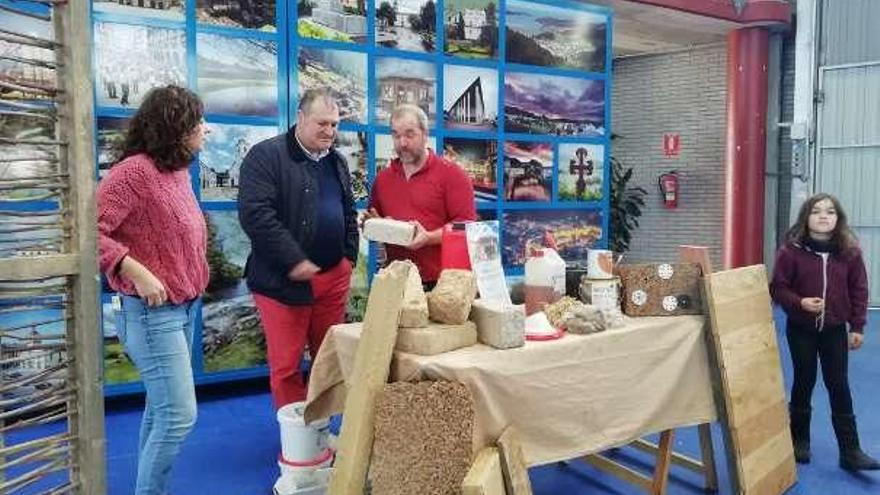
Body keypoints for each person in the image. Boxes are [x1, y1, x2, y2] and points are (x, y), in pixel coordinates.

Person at [97, 85, 210, 495]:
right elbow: (89, 233)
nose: (205, 130)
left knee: (162, 410)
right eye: (197, 122)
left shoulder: (175, 171)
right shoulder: (134, 172)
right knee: (179, 415)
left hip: (183, 308)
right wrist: (132, 268)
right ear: (174, 127)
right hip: (152, 314)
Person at [238, 88, 358, 410]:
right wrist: (294, 260)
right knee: (287, 366)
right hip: (282, 283)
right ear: (301, 118)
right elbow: (256, 215)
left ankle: (321, 426)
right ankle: (298, 445)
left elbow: (348, 211)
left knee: (328, 360)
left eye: (334, 125)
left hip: (333, 278)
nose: (330, 132)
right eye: (322, 123)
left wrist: (348, 258)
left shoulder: (337, 162)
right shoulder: (265, 156)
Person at [770, 193, 879, 471]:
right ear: (806, 217)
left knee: (838, 385)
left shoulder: (850, 253)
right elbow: (778, 288)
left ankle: (850, 450)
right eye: (816, 211)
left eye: (830, 212)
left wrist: (857, 326)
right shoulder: (790, 251)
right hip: (801, 329)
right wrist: (800, 302)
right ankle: (799, 441)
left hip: (834, 331)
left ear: (837, 219)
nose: (823, 216)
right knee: (803, 381)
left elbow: (859, 290)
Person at [364, 104, 476, 286]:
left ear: (425, 134)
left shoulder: (453, 175)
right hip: (395, 280)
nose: (403, 143)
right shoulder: (382, 179)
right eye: (396, 135)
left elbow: (467, 228)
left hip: (440, 282)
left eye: (409, 134)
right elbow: (376, 222)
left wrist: (429, 237)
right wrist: (377, 225)